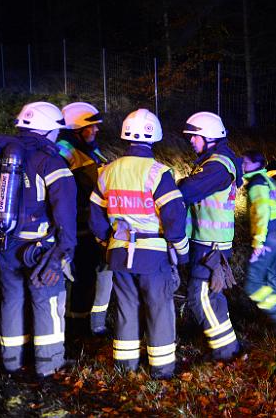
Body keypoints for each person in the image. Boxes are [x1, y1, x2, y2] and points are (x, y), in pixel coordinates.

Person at [0, 101, 77, 378]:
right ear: (47, 130)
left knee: (12, 300)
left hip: (5, 241)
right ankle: (49, 364)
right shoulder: (50, 160)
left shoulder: (0, 156)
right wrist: (65, 250)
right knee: (48, 301)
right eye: (57, 131)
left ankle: (11, 361)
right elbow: (65, 210)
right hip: (40, 248)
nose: (58, 137)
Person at [88, 108, 188, 379]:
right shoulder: (158, 173)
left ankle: (125, 367)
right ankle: (162, 368)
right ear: (154, 136)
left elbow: (95, 216)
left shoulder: (108, 171)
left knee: (125, 308)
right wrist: (181, 251)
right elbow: (174, 218)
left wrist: (105, 242)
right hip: (152, 256)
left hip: (119, 254)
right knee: (158, 308)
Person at [177, 112, 240, 361]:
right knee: (211, 296)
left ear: (209, 137)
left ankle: (226, 351)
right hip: (209, 242)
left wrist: (179, 184)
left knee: (199, 296)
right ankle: (228, 348)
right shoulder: (214, 161)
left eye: (195, 136)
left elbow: (187, 190)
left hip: (210, 245)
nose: (191, 141)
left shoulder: (216, 166)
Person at [58, 102, 111, 335]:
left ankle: (84, 324)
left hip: (90, 225)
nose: (96, 130)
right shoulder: (64, 152)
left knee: (88, 275)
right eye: (92, 127)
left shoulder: (89, 150)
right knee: (78, 277)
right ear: (76, 129)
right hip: (76, 226)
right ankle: (74, 327)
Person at [241, 150, 276, 335]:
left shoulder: (256, 183)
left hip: (268, 236)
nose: (242, 165)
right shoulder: (268, 179)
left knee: (253, 284)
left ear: (254, 165)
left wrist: (258, 242)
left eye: (244, 162)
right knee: (274, 279)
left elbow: (262, 212)